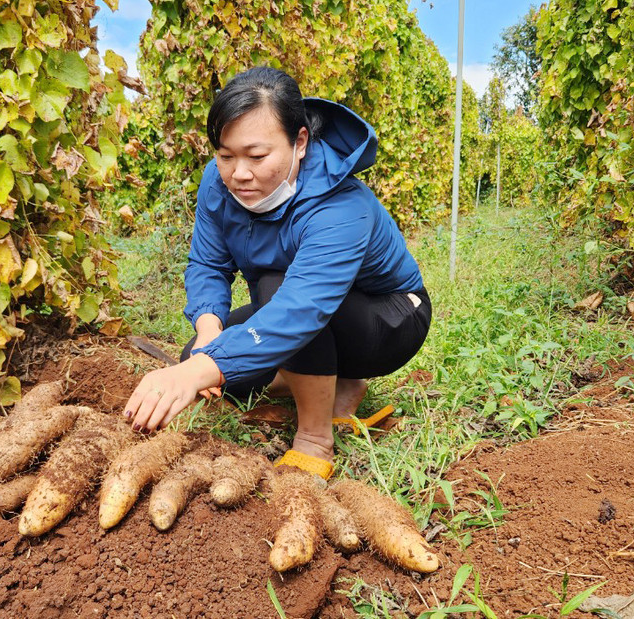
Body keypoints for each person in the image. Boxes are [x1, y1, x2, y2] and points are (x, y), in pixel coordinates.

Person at [124, 67, 431, 479]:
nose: (239, 173)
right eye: (225, 155)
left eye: (256, 156)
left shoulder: (341, 203)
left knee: (270, 291)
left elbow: (300, 309)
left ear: (299, 142)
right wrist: (208, 330)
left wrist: (202, 368)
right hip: (295, 303)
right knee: (199, 360)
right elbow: (208, 263)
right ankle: (331, 381)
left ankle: (315, 439)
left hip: (388, 319)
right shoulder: (218, 183)